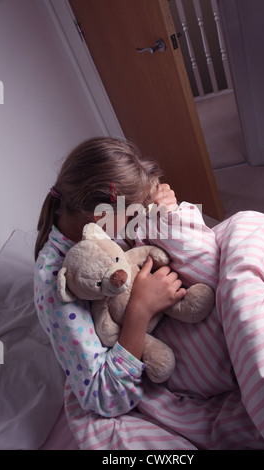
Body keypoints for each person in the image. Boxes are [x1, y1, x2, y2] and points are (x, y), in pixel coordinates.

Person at [34, 136, 188, 418]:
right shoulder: (57, 282)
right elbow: (100, 395)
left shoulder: (100, 224)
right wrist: (141, 309)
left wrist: (161, 206)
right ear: (99, 216)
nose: (137, 217)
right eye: (133, 212)